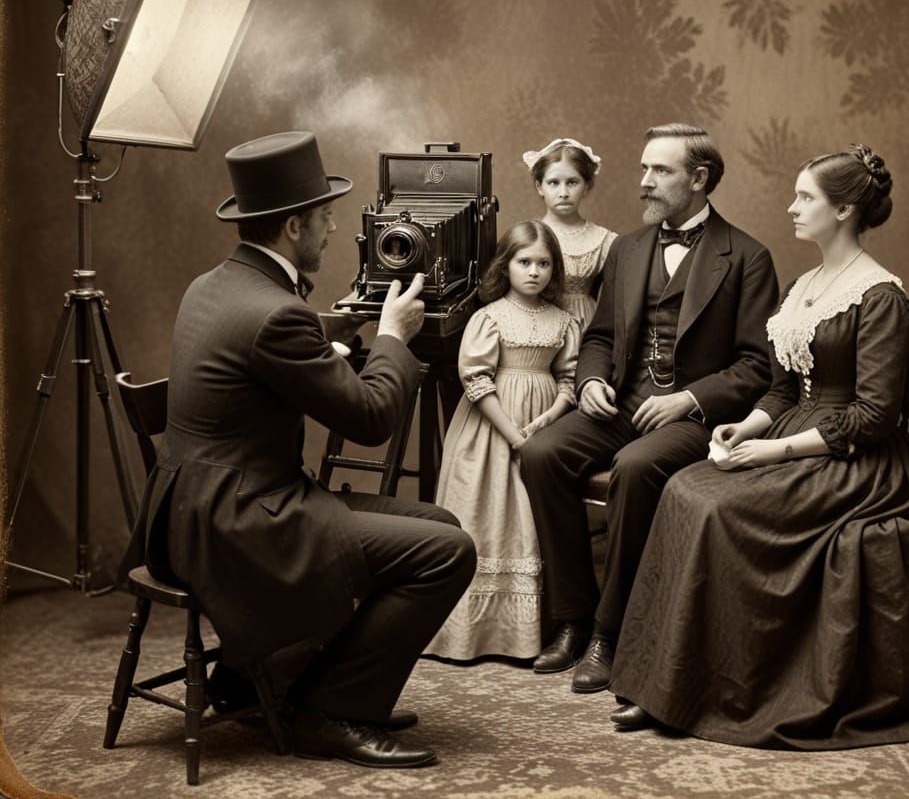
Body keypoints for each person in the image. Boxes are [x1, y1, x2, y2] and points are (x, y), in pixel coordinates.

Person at [121, 131, 476, 769]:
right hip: (238, 524)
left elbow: (266, 351)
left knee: (438, 523)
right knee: (448, 552)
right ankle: (332, 709)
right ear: (293, 226)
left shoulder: (214, 285)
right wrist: (392, 337)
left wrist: (337, 333)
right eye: (324, 217)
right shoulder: (275, 316)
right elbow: (370, 418)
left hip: (185, 512)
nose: (334, 228)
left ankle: (275, 682)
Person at [609, 145, 909, 748]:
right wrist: (746, 429)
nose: (792, 207)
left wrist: (774, 454)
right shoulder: (804, 285)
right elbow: (782, 389)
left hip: (857, 460)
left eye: (806, 197)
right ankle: (669, 684)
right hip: (794, 431)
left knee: (717, 507)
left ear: (845, 210)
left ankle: (722, 691)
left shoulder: (879, 296)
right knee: (684, 488)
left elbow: (874, 416)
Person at [518, 123, 779, 694]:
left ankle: (610, 632)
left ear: (699, 178)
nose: (645, 181)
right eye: (644, 168)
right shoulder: (630, 248)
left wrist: (689, 398)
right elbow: (600, 337)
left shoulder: (748, 257)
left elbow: (757, 365)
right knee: (540, 454)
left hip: (693, 416)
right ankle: (572, 617)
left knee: (635, 468)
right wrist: (590, 380)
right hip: (621, 401)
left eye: (660, 170)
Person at [426, 220, 580, 660]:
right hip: (492, 425)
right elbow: (476, 380)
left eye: (543, 264)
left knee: (530, 519)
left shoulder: (564, 321)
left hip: (542, 425)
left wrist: (549, 417)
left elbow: (568, 379)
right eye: (524, 262)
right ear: (505, 266)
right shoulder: (488, 317)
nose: (534, 272)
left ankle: (526, 635)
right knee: (487, 511)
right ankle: (467, 634)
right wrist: (514, 436)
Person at [524, 137, 617, 328]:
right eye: (553, 183)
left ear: (586, 187)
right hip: (538, 323)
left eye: (572, 182)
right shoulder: (528, 235)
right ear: (539, 187)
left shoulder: (605, 239)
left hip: (586, 324)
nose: (564, 193)